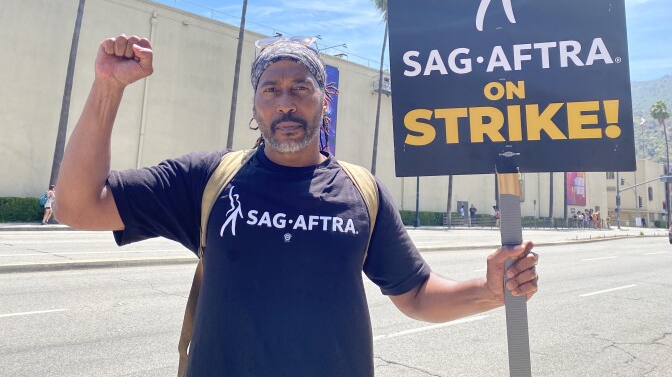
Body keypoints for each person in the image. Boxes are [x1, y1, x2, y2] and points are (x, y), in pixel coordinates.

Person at [54, 34, 539, 377]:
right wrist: (108, 88)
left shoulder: (360, 191)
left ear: (322, 102)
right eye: (271, 89)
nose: (286, 102)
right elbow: (78, 207)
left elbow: (415, 295)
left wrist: (491, 289)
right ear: (256, 107)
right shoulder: (208, 180)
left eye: (300, 88)